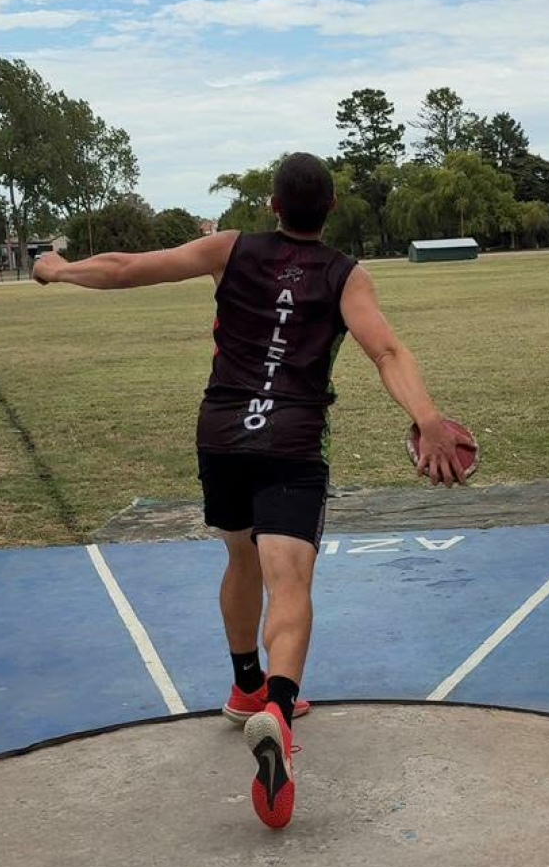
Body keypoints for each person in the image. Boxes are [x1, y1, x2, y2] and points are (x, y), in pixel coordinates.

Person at [33, 153, 472, 830]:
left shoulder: (229, 248)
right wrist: (428, 418)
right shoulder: (345, 273)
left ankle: (245, 688)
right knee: (288, 578)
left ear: (272, 204)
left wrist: (58, 268)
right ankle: (279, 705)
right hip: (291, 441)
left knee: (241, 559)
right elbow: (386, 351)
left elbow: (126, 268)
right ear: (329, 210)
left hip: (222, 435)